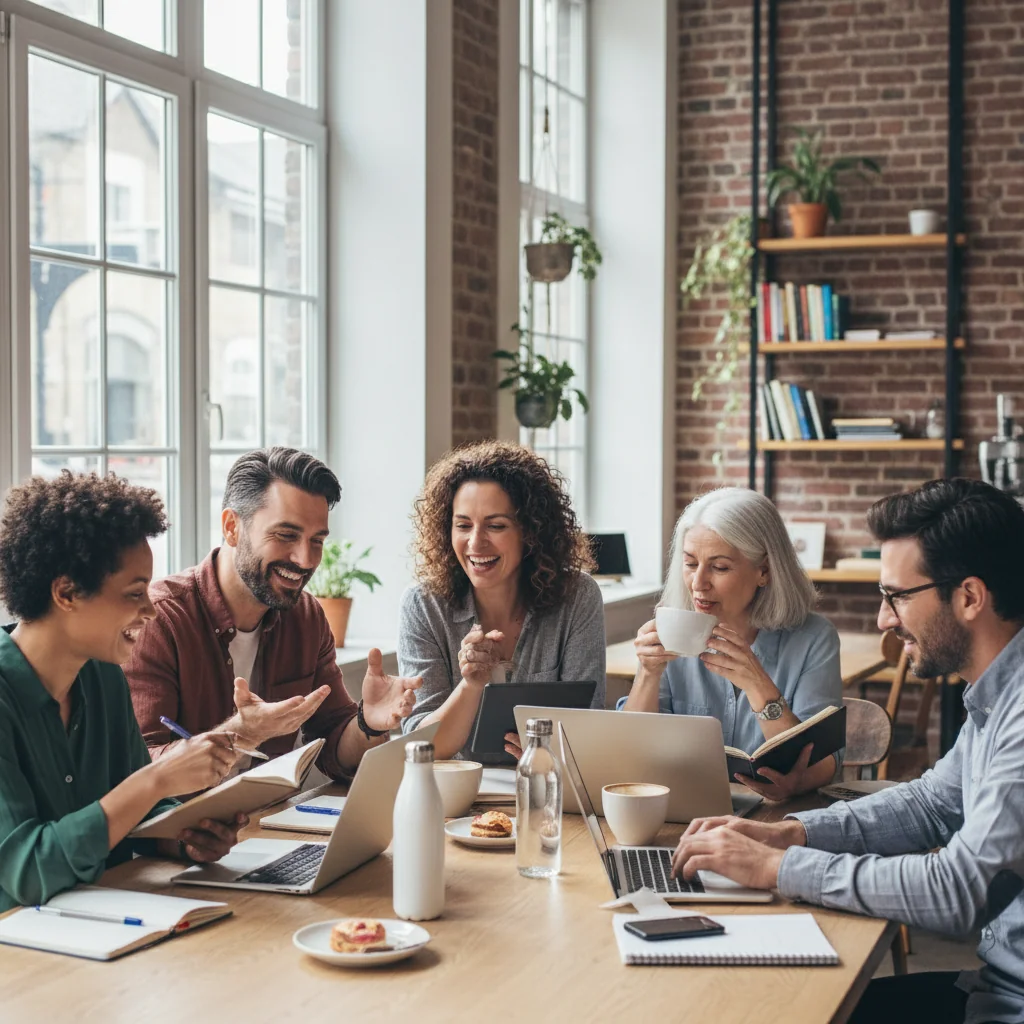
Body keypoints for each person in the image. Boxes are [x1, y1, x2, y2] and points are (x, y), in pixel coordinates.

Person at [671, 479, 1024, 1024]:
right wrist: (791, 832)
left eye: (897, 597)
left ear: (970, 597)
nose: (884, 619)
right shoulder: (996, 695)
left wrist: (778, 867)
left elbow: (956, 891)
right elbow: (931, 804)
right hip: (991, 986)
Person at [0, 472, 246, 911]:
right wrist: (155, 779)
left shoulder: (103, 675)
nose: (150, 610)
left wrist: (185, 839)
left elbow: (137, 819)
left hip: (105, 928)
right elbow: (29, 871)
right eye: (134, 593)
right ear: (66, 592)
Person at [124, 448, 421, 781]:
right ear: (232, 527)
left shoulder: (305, 617)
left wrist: (367, 721)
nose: (306, 559)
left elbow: (335, 745)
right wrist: (240, 734)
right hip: (180, 830)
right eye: (286, 535)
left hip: (265, 824)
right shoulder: (158, 619)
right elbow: (137, 767)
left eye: (317, 540)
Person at [623, 487, 842, 799]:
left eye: (719, 567)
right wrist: (647, 673)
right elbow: (631, 758)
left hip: (775, 819)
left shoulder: (813, 639)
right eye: (690, 563)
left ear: (764, 571)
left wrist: (758, 686)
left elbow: (817, 765)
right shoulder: (672, 633)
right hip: (682, 814)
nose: (698, 583)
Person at [399, 441, 606, 761]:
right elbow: (422, 747)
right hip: (456, 800)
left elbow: (591, 726)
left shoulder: (578, 597)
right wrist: (471, 683)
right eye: (463, 525)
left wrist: (547, 752)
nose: (476, 542)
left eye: (496, 526)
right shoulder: (424, 606)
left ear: (531, 532)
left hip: (549, 788)